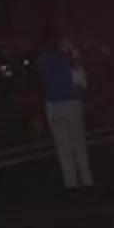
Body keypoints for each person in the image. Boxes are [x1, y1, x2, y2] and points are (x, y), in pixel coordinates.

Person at [36, 29, 92, 191]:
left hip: (53, 105)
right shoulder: (72, 60)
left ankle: (71, 184)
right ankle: (86, 181)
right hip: (71, 103)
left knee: (63, 148)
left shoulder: (45, 60)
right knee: (79, 145)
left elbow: (40, 73)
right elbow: (82, 84)